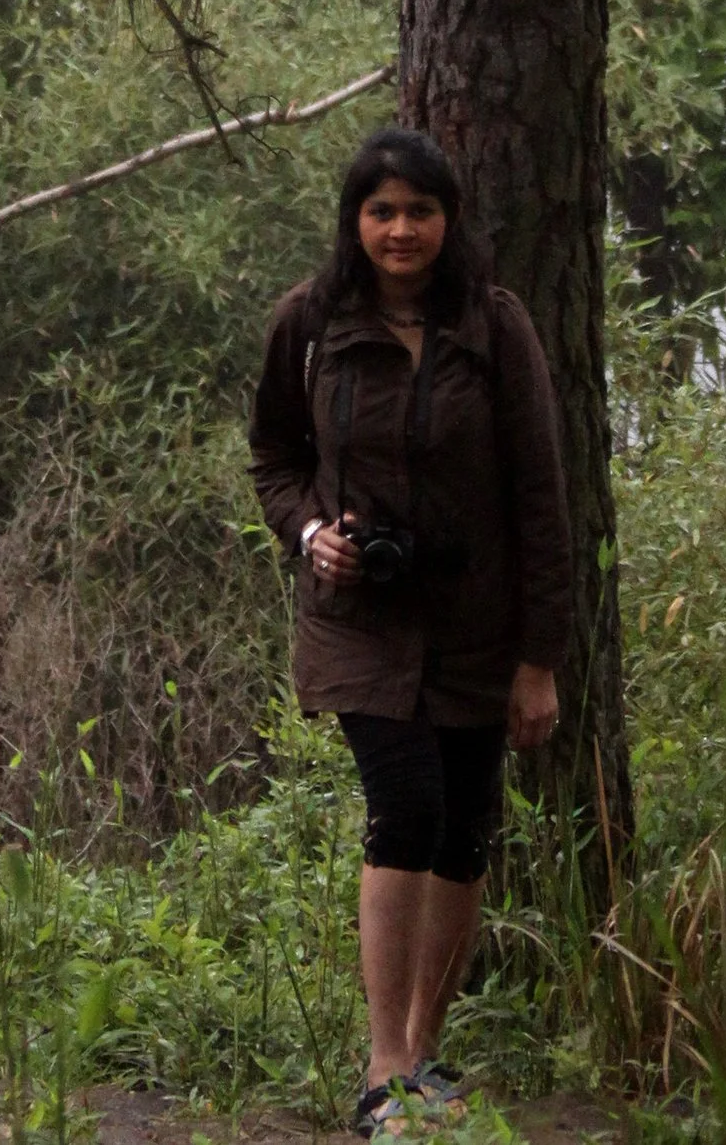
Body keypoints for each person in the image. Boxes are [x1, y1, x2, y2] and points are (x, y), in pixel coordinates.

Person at [249, 130, 570, 1136]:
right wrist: (309, 534)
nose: (400, 230)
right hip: (360, 621)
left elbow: (540, 497)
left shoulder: (494, 325)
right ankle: (383, 1072)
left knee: (467, 826)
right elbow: (272, 456)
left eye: (419, 212)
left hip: (477, 621)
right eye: (381, 211)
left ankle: (425, 1056)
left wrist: (537, 661)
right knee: (408, 805)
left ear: (449, 221)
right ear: (355, 219)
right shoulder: (307, 322)